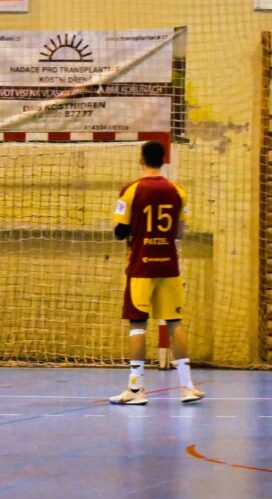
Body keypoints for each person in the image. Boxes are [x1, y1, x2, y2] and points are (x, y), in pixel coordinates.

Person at [109, 141, 204, 406]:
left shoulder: (131, 190)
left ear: (141, 159)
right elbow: (180, 233)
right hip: (169, 266)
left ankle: (136, 389)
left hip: (141, 266)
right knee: (175, 323)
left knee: (137, 325)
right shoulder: (178, 191)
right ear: (163, 160)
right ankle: (187, 386)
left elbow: (120, 232)